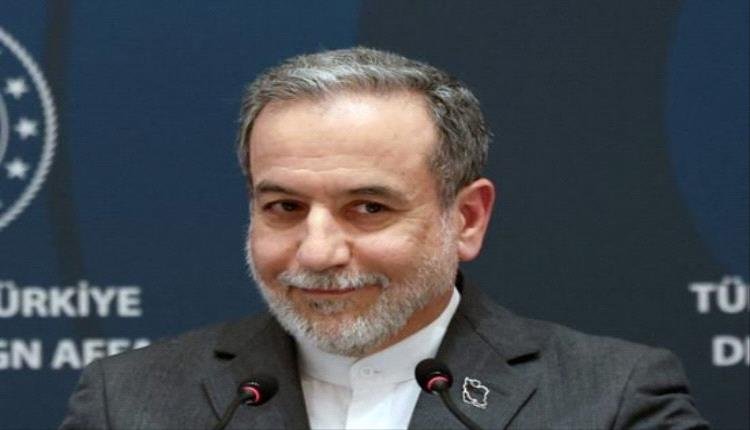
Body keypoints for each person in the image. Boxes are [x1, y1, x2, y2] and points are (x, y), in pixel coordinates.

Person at [60, 47, 708, 430]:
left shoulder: (610, 399)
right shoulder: (130, 401)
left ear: (467, 219)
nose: (317, 252)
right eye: (284, 207)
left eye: (368, 208)